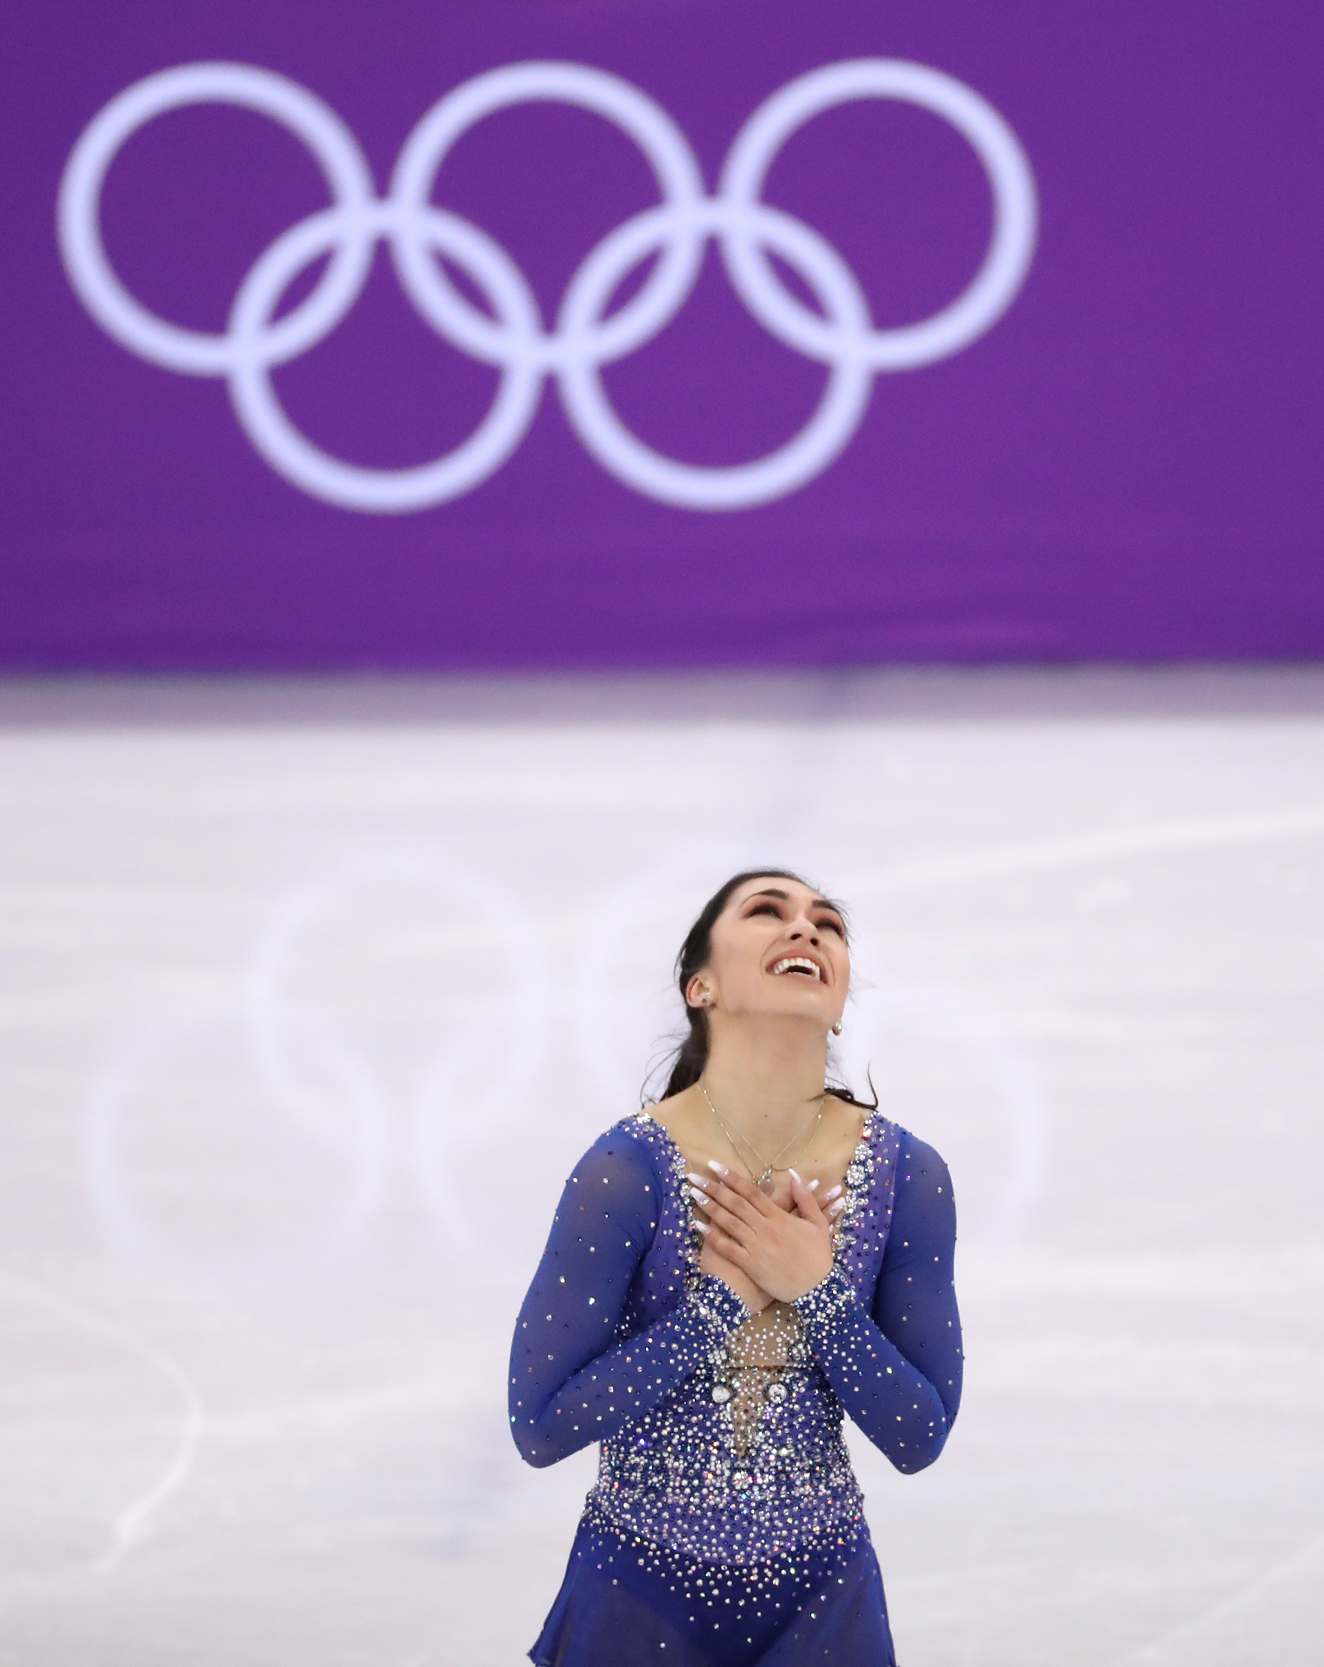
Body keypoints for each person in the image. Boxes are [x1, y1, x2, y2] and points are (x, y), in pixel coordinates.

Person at [509, 870, 962, 1665]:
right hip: (633, 1595)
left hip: (824, 1602)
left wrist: (818, 1294)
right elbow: (540, 1425)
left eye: (829, 923)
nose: (807, 929)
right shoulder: (625, 1170)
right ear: (702, 984)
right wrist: (715, 1309)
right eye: (767, 912)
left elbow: (919, 1434)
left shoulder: (905, 1174)